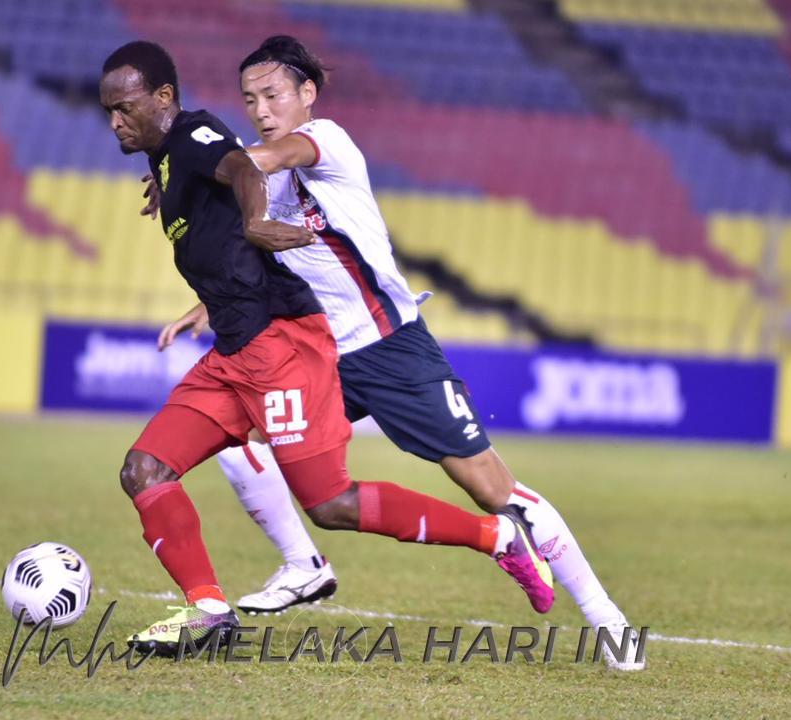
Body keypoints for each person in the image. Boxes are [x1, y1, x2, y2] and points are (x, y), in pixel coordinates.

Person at [153, 35, 643, 670]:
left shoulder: (326, 142)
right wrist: (200, 288)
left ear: (307, 94)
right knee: (237, 440)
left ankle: (609, 621)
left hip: (389, 349)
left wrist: (198, 162)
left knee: (496, 492)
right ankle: (304, 565)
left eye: (273, 94)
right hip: (317, 355)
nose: (262, 109)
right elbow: (243, 249)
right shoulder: (260, 185)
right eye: (250, 100)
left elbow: (263, 159)